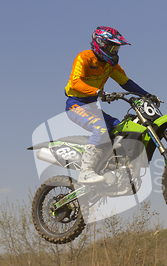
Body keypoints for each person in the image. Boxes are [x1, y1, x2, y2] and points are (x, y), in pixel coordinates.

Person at [64, 26, 158, 184]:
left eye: (117, 48)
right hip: (76, 105)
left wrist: (146, 95)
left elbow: (125, 82)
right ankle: (86, 172)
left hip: (93, 107)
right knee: (100, 128)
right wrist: (98, 92)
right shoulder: (84, 57)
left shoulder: (110, 65)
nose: (114, 51)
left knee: (123, 129)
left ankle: (117, 167)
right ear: (99, 44)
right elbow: (75, 83)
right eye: (111, 47)